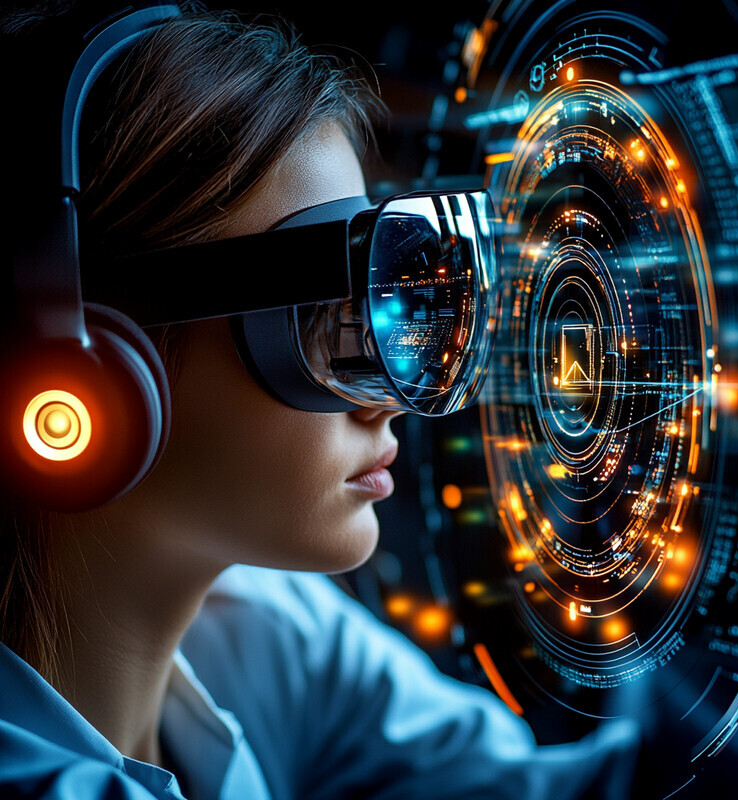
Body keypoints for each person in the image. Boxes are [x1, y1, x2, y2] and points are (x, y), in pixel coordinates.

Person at [0, 4, 639, 798]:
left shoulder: (263, 629)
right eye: (317, 322)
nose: (392, 404)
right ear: (91, 375)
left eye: (379, 310)